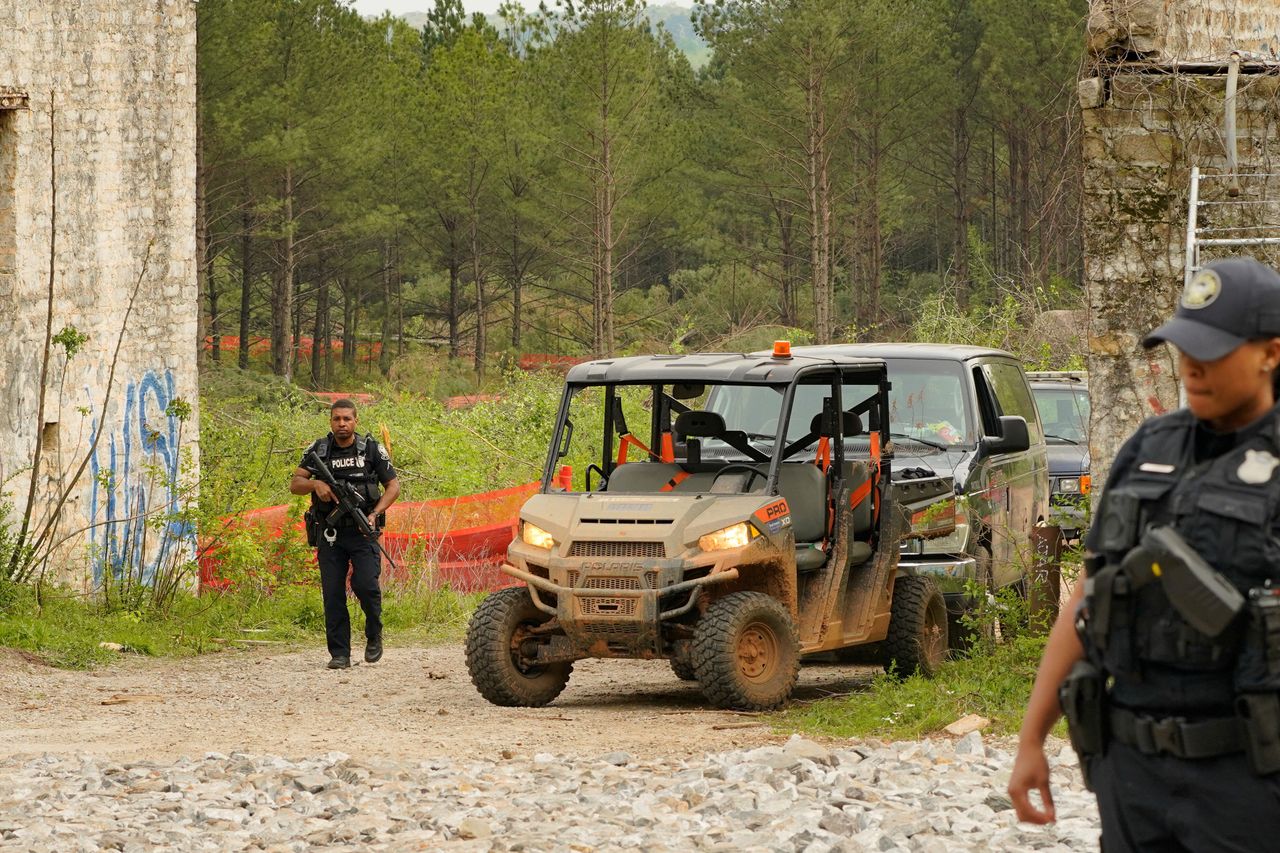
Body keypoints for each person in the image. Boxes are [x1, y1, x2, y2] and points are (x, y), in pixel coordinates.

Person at [1008, 256, 1280, 850]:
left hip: (1250, 781)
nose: (1193, 369)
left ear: (1270, 353)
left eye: (1214, 351)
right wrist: (1032, 741)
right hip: (1132, 776)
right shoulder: (1150, 447)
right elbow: (1089, 596)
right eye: (1185, 349)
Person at [290, 399, 400, 670]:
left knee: (367, 587)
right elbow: (295, 483)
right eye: (337, 419)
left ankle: (374, 633)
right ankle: (340, 653)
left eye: (347, 419)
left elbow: (393, 487)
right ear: (331, 421)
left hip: (364, 531)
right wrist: (316, 484)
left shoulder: (371, 449)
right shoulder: (319, 450)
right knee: (333, 594)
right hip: (330, 534)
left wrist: (374, 514)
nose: (342, 424)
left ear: (355, 421)